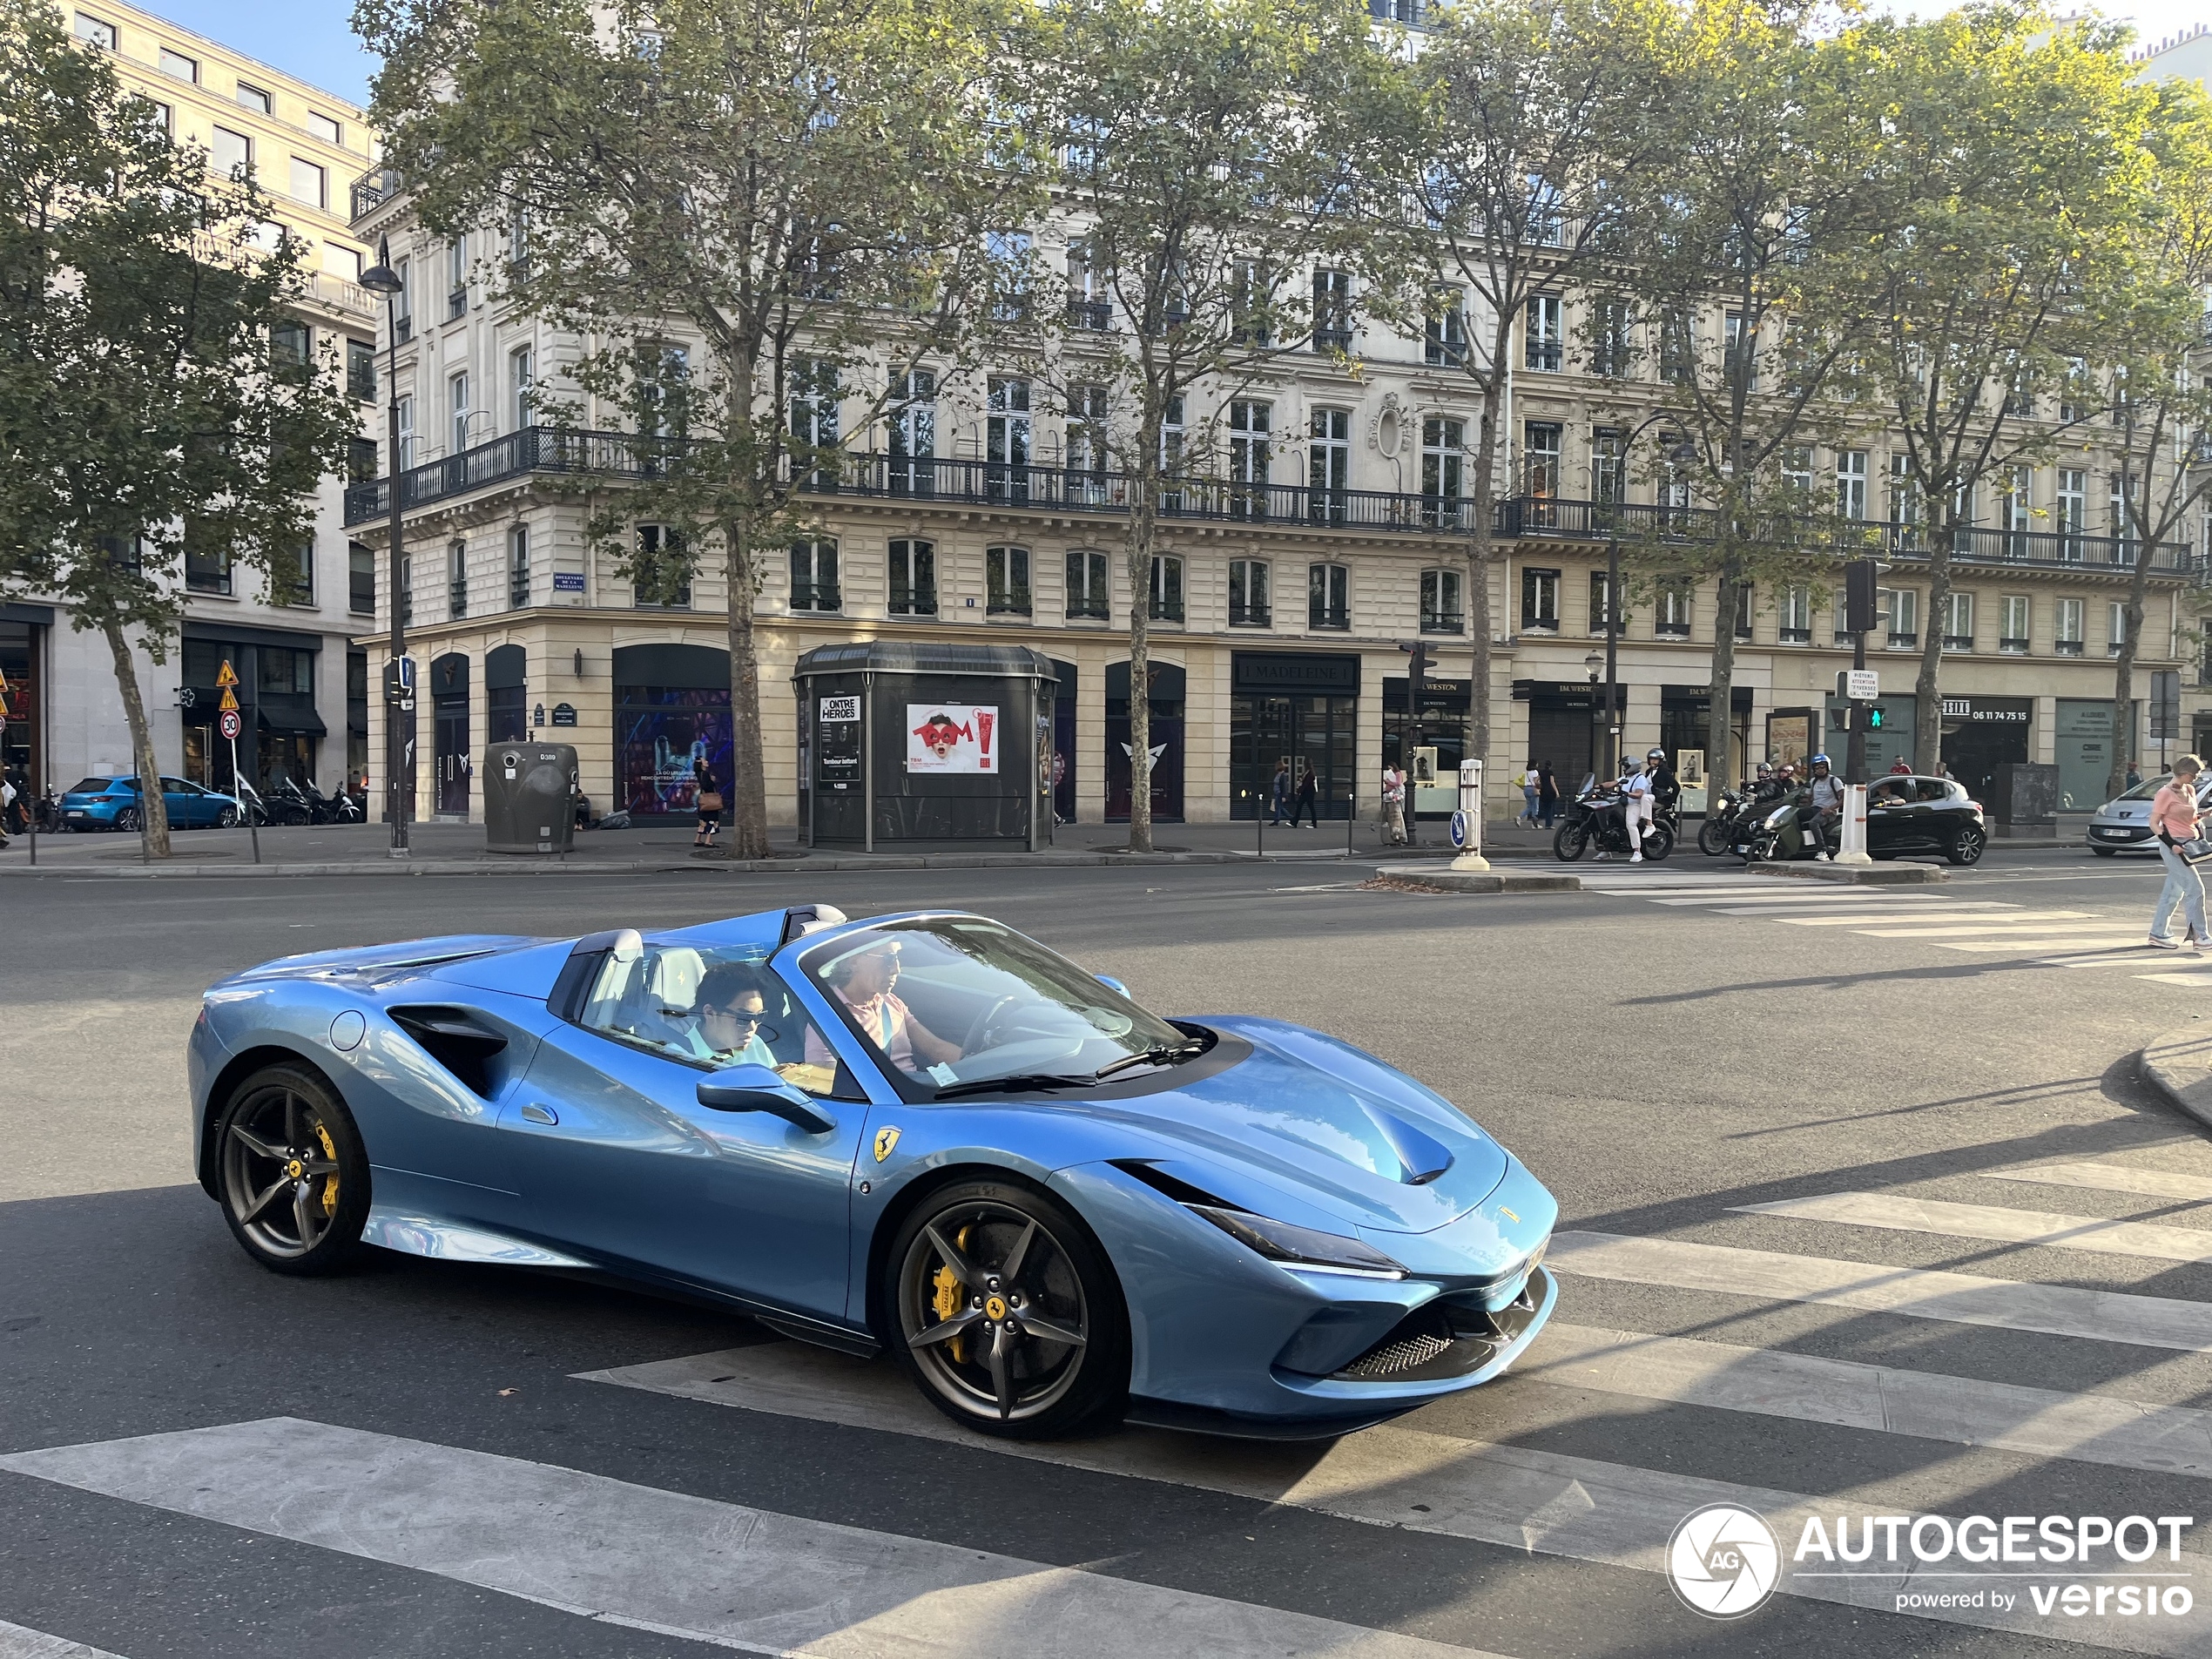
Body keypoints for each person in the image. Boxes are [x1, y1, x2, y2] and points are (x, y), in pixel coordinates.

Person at [805, 938, 961, 1076]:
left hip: (915, 1090)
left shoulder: (890, 1001)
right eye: (888, 959)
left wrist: (977, 1066)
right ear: (854, 962)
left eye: (897, 958)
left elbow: (935, 1048)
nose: (896, 969)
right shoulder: (827, 1018)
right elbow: (827, 1085)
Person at [2148, 753, 2212, 950]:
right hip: (2174, 847)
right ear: (2184, 773)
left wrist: (2203, 815)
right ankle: (2200, 937)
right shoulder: (2164, 793)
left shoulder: (2190, 790)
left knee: (2173, 892)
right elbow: (2154, 823)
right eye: (2194, 774)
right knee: (2195, 889)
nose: (2196, 778)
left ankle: (2158, 933)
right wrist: (2171, 844)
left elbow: (2188, 818)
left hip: (2189, 844)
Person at [677, 961, 779, 1067]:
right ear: (710, 1013)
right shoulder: (675, 1059)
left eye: (759, 1016)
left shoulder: (756, 1045)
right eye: (743, 1018)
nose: (752, 1027)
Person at [1611, 754, 1653, 862]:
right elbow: (1613, 783)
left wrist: (1626, 793)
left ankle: (1637, 852)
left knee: (1631, 824)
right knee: (1611, 820)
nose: (1624, 768)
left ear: (1632, 767)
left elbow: (1639, 794)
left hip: (1636, 805)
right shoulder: (1625, 778)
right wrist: (1597, 786)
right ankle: (1606, 850)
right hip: (1623, 804)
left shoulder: (1640, 779)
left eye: (1626, 766)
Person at [1804, 752, 1845, 860]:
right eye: (1817, 768)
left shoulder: (1834, 781)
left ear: (1827, 767)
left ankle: (1822, 851)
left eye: (1822, 767)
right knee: (1795, 816)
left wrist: (1830, 808)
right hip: (1815, 808)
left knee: (1813, 823)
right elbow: (1807, 797)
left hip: (1829, 812)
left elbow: (1843, 798)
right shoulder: (1813, 781)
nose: (1820, 770)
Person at [692, 756, 718, 849]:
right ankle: (708, 841)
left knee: (703, 820)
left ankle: (698, 839)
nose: (707, 761)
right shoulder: (705, 774)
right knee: (711, 819)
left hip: (703, 800)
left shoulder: (699, 774)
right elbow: (707, 786)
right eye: (704, 760)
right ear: (701, 764)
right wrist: (712, 781)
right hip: (709, 800)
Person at [1380, 764, 1406, 845]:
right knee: (1391, 816)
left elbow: (1398, 783)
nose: (1389, 769)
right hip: (1389, 796)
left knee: (1396, 817)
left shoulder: (1397, 774)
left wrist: (1389, 782)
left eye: (1390, 767)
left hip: (1394, 796)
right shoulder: (1392, 774)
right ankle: (1394, 834)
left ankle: (1398, 834)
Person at [1291, 762, 1320, 828]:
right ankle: (1295, 822)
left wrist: (1299, 790)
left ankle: (1314, 823)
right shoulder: (1307, 772)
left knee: (1310, 807)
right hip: (1306, 793)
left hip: (1309, 793)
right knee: (1300, 806)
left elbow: (1306, 784)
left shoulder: (1310, 774)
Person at [1518, 761, 1541, 827]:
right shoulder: (1535, 772)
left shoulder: (1527, 773)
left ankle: (1520, 817)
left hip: (1526, 789)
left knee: (1529, 806)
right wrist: (1539, 788)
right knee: (1535, 806)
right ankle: (1535, 823)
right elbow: (1536, 782)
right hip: (1533, 789)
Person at [1538, 762, 1561, 828]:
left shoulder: (1541, 772)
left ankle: (1536, 819)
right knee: (1550, 809)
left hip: (1543, 791)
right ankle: (1548, 824)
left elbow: (1536, 781)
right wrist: (1557, 792)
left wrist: (1539, 786)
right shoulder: (1550, 772)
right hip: (1550, 792)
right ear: (1550, 766)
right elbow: (1552, 782)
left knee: (1542, 807)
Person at [1270, 759, 1291, 826]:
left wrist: (1284, 796)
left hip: (1279, 793)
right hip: (1277, 793)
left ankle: (1276, 820)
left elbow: (1284, 786)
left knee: (1278, 807)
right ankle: (1292, 818)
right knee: (1280, 808)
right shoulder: (1278, 775)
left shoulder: (1283, 775)